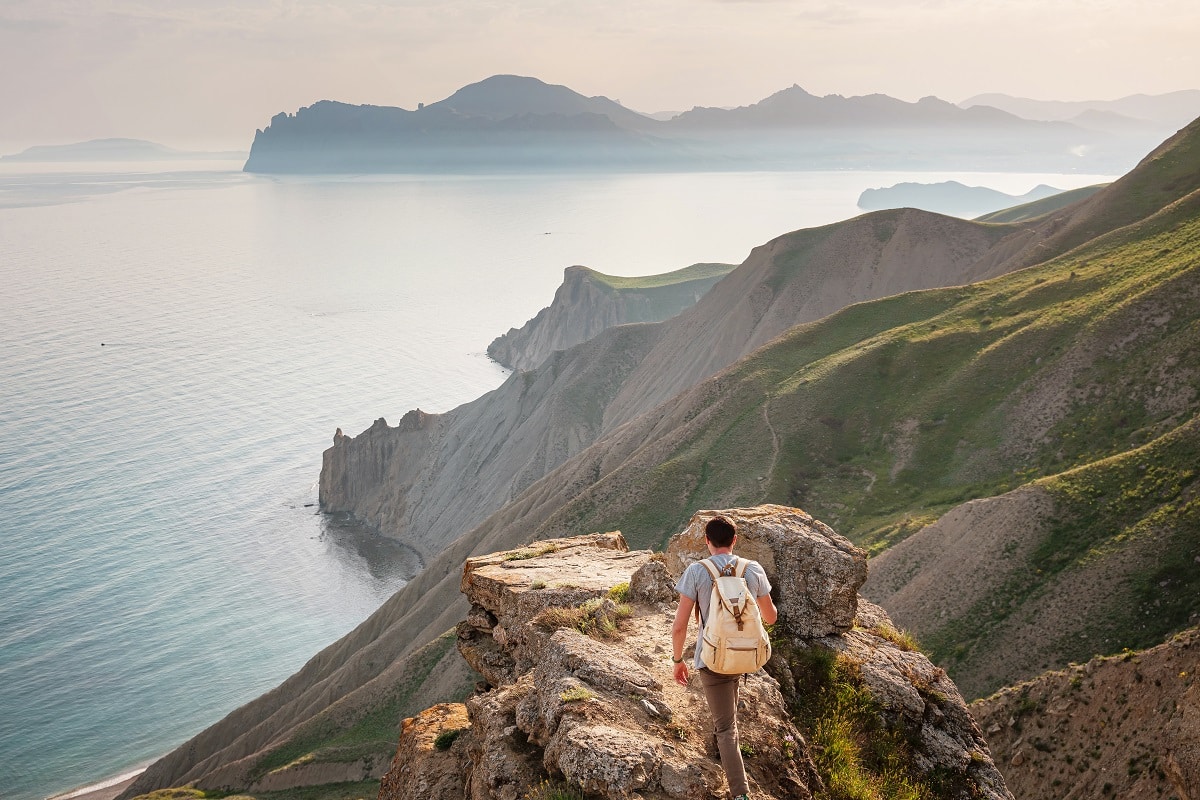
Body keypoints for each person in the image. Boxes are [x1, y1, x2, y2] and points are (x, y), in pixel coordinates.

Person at [671, 516, 777, 800]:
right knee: (727, 720)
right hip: (746, 658)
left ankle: (740, 794)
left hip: (713, 658)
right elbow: (770, 617)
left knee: (727, 728)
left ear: (707, 541)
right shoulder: (752, 569)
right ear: (735, 540)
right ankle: (720, 755)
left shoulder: (697, 571)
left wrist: (677, 660)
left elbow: (679, 625)